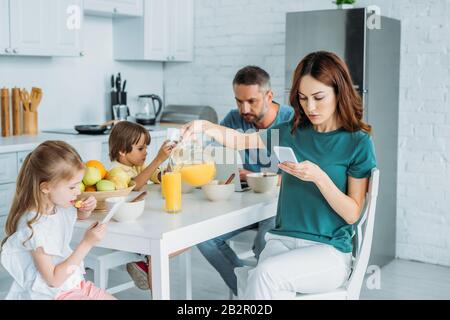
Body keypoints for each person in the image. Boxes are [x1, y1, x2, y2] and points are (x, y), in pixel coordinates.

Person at [182, 51, 377, 299]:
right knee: (262, 280)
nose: (310, 107)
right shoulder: (290, 132)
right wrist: (204, 126)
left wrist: (319, 177)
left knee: (262, 277)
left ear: (339, 92)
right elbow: (241, 140)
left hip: (328, 251)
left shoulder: (357, 142)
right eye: (303, 98)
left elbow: (352, 213)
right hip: (281, 241)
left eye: (319, 97)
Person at [196, 66, 294, 296]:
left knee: (265, 242)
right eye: (239, 101)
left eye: (251, 101)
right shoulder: (234, 119)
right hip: (245, 203)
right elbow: (216, 158)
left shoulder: (291, 120)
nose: (244, 109)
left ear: (269, 96)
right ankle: (247, 292)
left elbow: (302, 173)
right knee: (205, 238)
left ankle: (259, 294)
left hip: (279, 205)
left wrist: (255, 177)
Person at [0, 141, 115, 300]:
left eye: (78, 185)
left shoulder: (58, 206)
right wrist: (87, 243)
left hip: (72, 284)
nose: (78, 192)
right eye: (72, 187)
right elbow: (53, 280)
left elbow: (78, 216)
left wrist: (86, 209)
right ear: (46, 187)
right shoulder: (34, 228)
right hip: (52, 293)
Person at [108, 121, 185, 291]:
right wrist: (157, 159)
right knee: (165, 246)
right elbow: (134, 186)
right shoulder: (115, 171)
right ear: (122, 150)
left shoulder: (138, 166)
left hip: (141, 223)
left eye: (146, 147)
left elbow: (158, 177)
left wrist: (169, 161)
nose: (146, 152)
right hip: (125, 229)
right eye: (141, 148)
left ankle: (148, 261)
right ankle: (148, 260)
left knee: (184, 240)